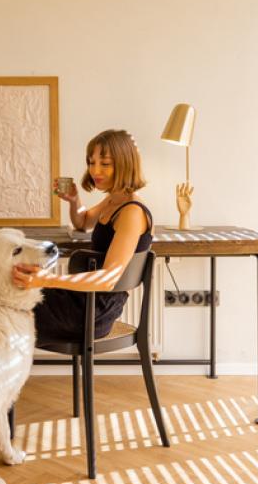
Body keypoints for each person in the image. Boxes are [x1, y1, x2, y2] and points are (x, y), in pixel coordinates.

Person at [12, 129, 153, 340]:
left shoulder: (132, 212)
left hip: (94, 312)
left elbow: (107, 280)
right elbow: (83, 222)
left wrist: (47, 280)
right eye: (91, 162)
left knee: (4, 304)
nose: (95, 170)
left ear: (125, 163)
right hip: (85, 301)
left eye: (105, 163)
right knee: (6, 295)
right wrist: (74, 200)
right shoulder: (114, 200)